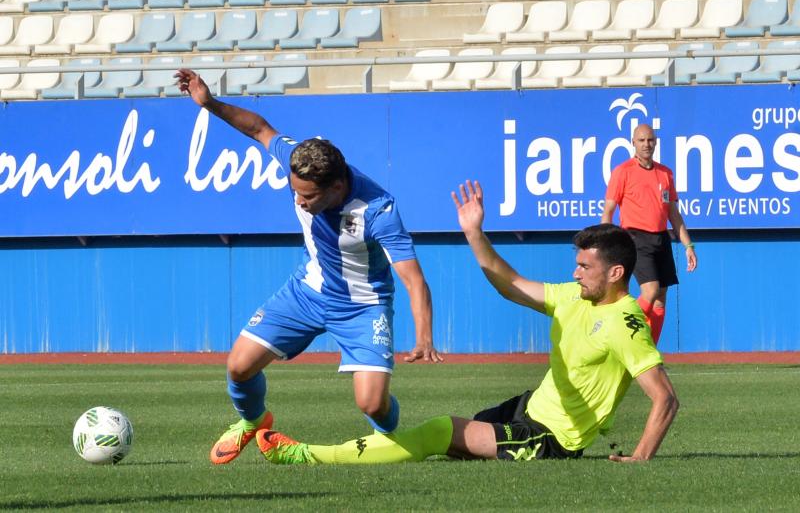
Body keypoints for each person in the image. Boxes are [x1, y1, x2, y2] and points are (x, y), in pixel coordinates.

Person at [252, 180, 679, 465]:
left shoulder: (626, 322)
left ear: (616, 274)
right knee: (460, 438)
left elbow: (665, 399)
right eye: (577, 264)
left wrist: (640, 458)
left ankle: (311, 455)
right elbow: (510, 284)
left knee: (443, 430)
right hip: (529, 407)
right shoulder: (576, 296)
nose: (575, 273)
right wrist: (475, 233)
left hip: (551, 438)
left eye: (585, 267)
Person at [175, 69, 443, 465]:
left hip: (363, 306)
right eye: (295, 191)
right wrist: (209, 104)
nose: (299, 202)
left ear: (336, 188)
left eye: (309, 196)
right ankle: (253, 420)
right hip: (307, 291)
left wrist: (424, 338)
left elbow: (413, 280)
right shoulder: (301, 159)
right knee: (238, 367)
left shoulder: (379, 211)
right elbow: (259, 129)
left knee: (371, 404)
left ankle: (389, 435)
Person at [601, 123, 697, 344]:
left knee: (661, 300)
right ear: (633, 143)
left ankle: (649, 352)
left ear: (655, 142)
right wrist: (607, 243)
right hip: (635, 237)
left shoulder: (665, 173)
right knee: (651, 290)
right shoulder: (622, 171)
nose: (647, 144)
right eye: (642, 140)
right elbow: (608, 211)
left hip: (661, 237)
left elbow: (674, 214)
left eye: (650, 140)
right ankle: (622, 334)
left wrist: (688, 246)